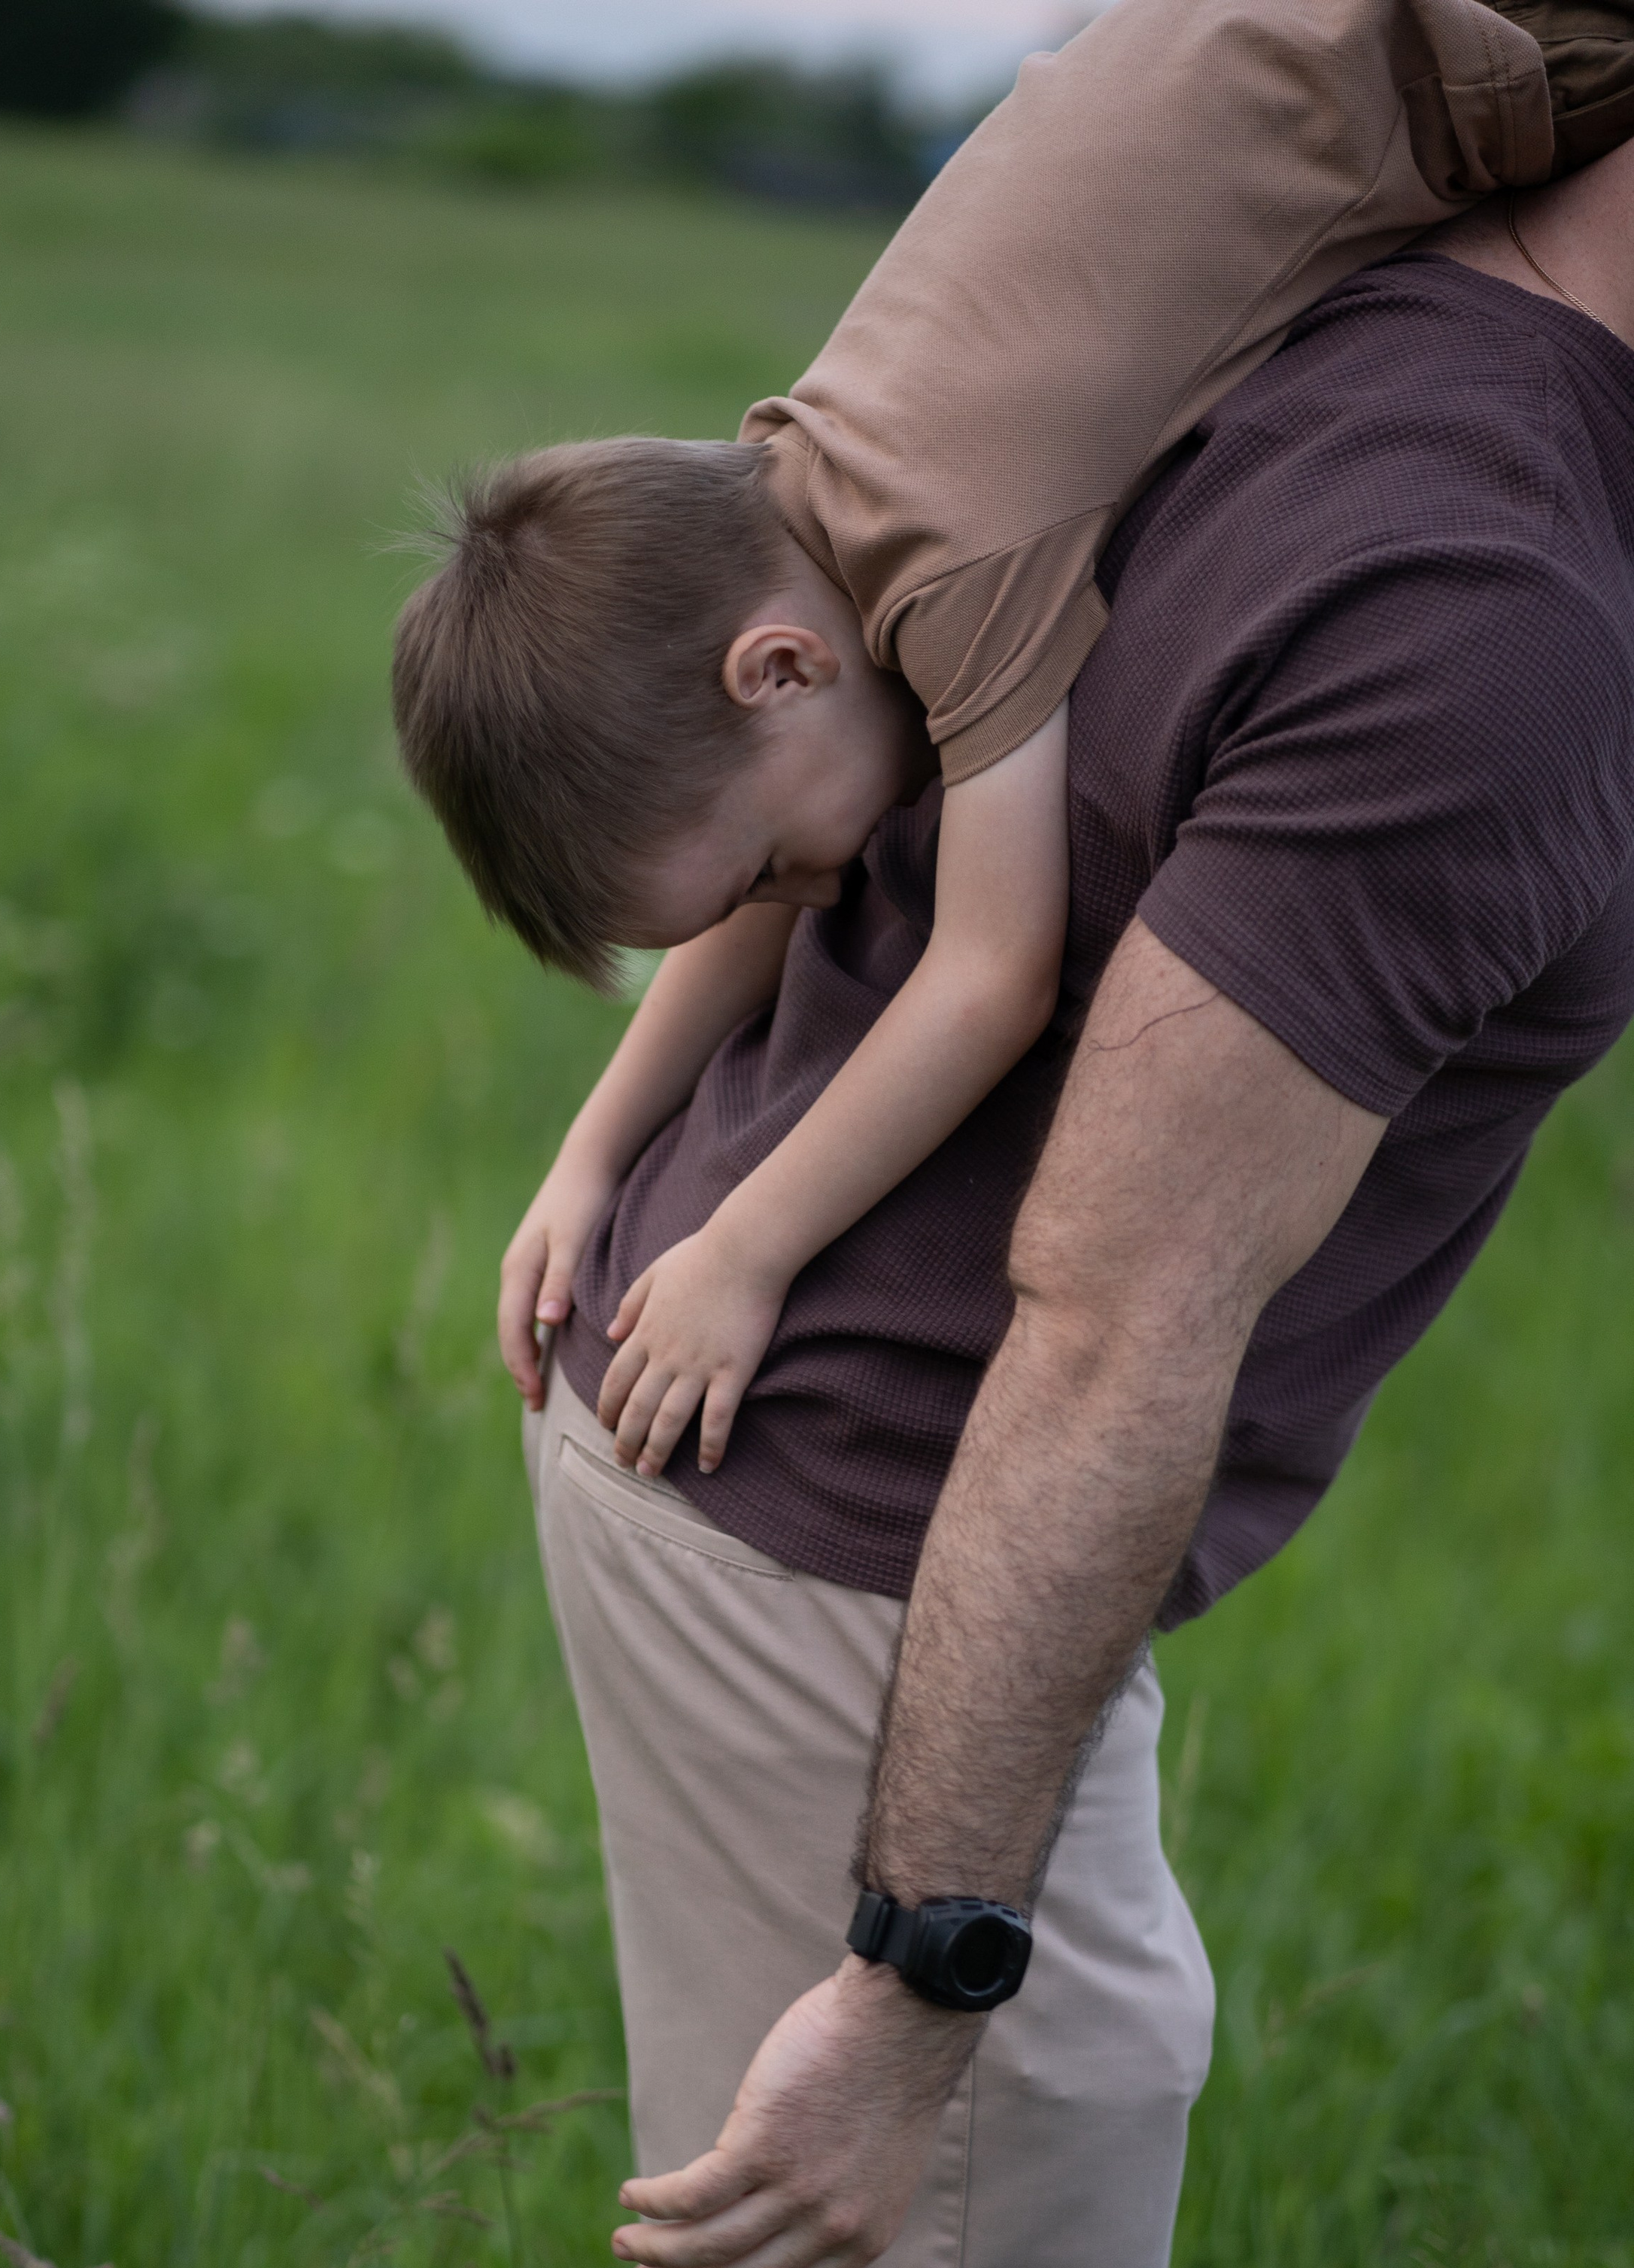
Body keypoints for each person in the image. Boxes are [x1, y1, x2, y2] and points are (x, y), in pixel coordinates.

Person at [396, 33, 1634, 2268]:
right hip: (881, 1555)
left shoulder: (1270, 333)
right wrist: (930, 1972)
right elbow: (1103, 1313)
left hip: (749, 1495)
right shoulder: (1487, 594)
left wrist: (631, 1189)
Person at [395, 0, 1634, 1486]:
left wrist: (744, 1249)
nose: (813, 899)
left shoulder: (950, 560)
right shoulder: (810, 468)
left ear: (778, 669)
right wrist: (590, 1156)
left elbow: (989, 978)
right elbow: (758, 875)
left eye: (770, 869)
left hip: (1490, 48)